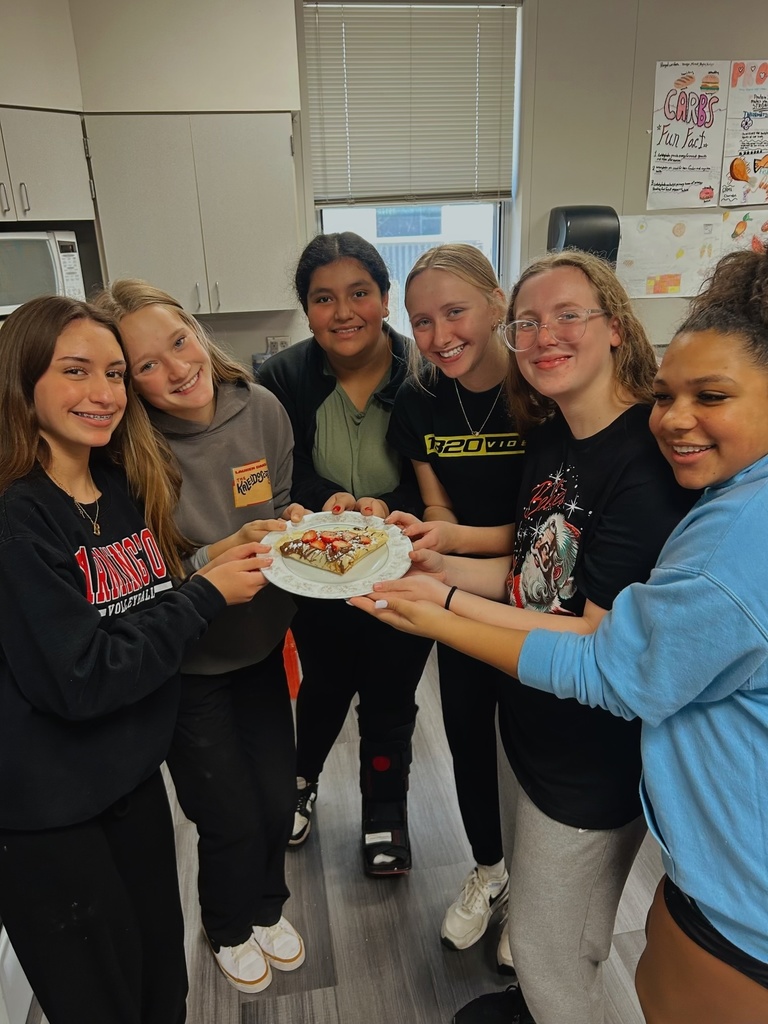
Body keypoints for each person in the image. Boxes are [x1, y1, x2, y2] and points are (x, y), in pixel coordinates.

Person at [354, 247, 768, 1024]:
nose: (544, 335)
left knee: (552, 954)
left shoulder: (651, 466)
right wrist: (431, 561)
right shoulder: (549, 436)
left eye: (568, 315)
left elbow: (593, 646)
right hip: (531, 721)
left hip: (589, 756)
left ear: (615, 328)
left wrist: (439, 606)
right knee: (540, 926)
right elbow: (531, 570)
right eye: (529, 322)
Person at [0, 296, 270, 1024]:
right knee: (102, 1003)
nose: (104, 393)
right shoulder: (17, 518)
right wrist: (206, 596)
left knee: (162, 988)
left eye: (116, 373)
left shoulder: (115, 487)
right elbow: (81, 677)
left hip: (130, 784)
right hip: (51, 816)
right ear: (23, 381)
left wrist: (220, 557)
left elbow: (140, 604)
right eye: (76, 371)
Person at [95, 280, 306, 994]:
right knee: (225, 812)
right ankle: (227, 924)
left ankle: (268, 905)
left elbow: (279, 502)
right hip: (186, 666)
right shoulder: (127, 452)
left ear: (197, 330)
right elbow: (135, 578)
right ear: (130, 384)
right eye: (146, 366)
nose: (177, 369)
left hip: (261, 645)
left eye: (179, 342)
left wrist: (298, 523)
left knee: (276, 797)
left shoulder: (262, 410)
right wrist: (217, 557)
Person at [257, 232, 433, 876]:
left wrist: (388, 507)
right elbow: (281, 470)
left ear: (385, 298)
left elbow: (439, 477)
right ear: (307, 310)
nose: (343, 312)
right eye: (323, 298)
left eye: (359, 293)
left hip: (405, 569)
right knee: (325, 683)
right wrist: (326, 498)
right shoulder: (281, 379)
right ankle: (300, 782)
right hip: (317, 568)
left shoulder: (427, 375)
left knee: (391, 694)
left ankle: (385, 809)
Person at [387, 244, 525, 953]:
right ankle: (490, 870)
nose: (439, 336)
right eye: (421, 322)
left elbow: (550, 531)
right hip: (464, 595)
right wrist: (428, 537)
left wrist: (453, 544)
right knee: (467, 733)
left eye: (454, 312)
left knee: (532, 744)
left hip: (541, 597)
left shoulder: (541, 388)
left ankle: (535, 893)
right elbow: (437, 507)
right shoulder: (418, 401)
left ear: (497, 303)